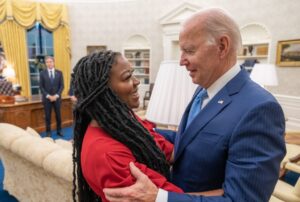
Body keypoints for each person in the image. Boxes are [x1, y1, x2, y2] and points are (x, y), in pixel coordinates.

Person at [103, 8, 286, 202]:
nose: (182, 61)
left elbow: (242, 199)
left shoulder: (260, 109)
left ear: (222, 46)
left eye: (189, 50)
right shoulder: (203, 89)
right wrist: (133, 128)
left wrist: (160, 198)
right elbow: (190, 139)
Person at [71, 51, 183, 202]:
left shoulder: (124, 122)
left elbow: (168, 151)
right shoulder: (107, 155)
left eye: (132, 74)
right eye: (127, 77)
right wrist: (225, 196)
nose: (136, 82)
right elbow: (175, 198)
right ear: (105, 93)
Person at [39, 56, 64, 137]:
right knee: (47, 117)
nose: (49, 63)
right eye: (47, 62)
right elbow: (41, 87)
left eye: (50, 61)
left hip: (57, 98)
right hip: (47, 99)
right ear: (46, 63)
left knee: (58, 116)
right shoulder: (42, 73)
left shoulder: (59, 73)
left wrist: (56, 95)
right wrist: (48, 96)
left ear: (53, 62)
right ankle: (48, 132)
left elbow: (62, 86)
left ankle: (59, 131)